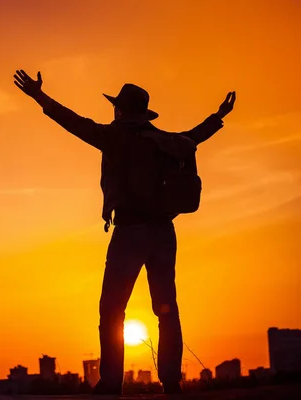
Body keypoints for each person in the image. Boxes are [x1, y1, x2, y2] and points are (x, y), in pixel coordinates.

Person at [13, 69, 235, 396]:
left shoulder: (114, 137)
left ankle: (111, 383)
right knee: (166, 308)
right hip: (163, 233)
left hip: (130, 232)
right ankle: (171, 382)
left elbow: (73, 122)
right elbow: (194, 136)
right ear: (144, 113)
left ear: (120, 111)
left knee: (112, 309)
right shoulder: (166, 141)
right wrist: (218, 116)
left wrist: (39, 96)